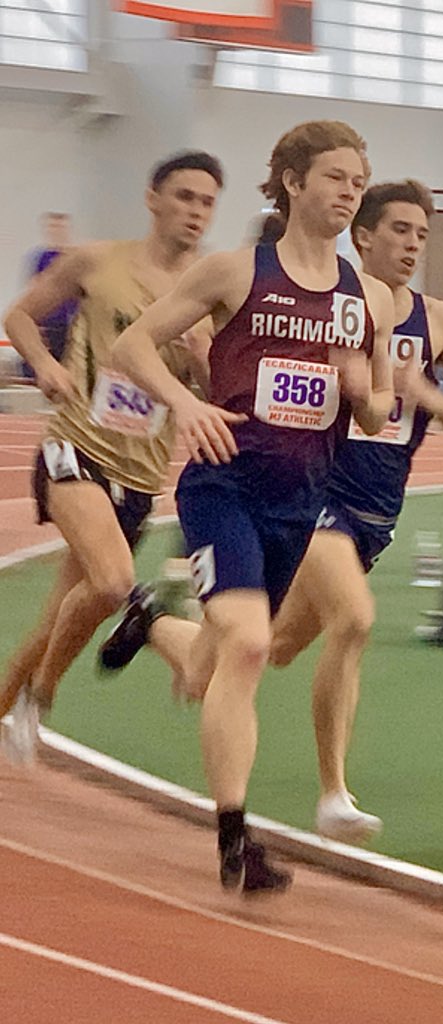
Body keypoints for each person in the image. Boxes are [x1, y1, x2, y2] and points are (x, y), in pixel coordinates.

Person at [103, 120, 395, 894]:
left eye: (358, 182)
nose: (349, 193)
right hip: (223, 486)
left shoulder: (368, 299)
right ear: (293, 182)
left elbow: (375, 414)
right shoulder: (235, 273)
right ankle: (236, 842)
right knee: (250, 644)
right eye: (335, 178)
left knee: (216, 665)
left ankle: (149, 620)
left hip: (300, 503)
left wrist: (364, 391)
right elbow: (132, 346)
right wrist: (184, 404)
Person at [268, 179, 443, 842]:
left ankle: (153, 622)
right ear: (362, 236)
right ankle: (333, 795)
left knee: (270, 646)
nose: (412, 245)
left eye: (421, 234)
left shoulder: (441, 322)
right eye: (399, 230)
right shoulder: (328, 303)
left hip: (376, 514)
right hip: (316, 494)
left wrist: (428, 394)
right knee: (356, 620)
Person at [0, 150, 226, 759]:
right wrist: (44, 364)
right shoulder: (97, 262)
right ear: (153, 199)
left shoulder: (210, 293)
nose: (195, 211)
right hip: (75, 446)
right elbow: (19, 317)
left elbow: (213, 395)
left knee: (61, 616)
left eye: (207, 202)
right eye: (184, 196)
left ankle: (23, 698)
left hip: (140, 475)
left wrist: (201, 357)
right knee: (113, 581)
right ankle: (45, 693)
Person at [23, 212, 77, 368]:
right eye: (53, 227)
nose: (56, 231)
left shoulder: (74, 257)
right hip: (49, 321)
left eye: (60, 227)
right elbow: (34, 287)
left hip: (70, 323)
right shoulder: (42, 258)